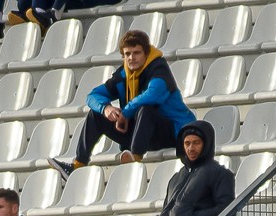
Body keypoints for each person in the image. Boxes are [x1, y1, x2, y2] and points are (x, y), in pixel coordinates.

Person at [53, 30, 196, 174]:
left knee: (146, 109)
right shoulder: (123, 74)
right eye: (127, 54)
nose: (131, 58)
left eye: (136, 53)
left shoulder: (159, 68)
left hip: (172, 132)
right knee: (95, 114)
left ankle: (135, 157)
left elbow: (154, 94)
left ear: (146, 54)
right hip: (140, 133)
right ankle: (78, 165)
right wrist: (106, 108)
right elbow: (92, 96)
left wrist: (126, 112)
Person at [104, 120, 233, 216]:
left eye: (196, 143)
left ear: (206, 144)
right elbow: (168, 208)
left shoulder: (220, 174)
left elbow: (227, 210)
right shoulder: (177, 177)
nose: (191, 148)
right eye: (187, 143)